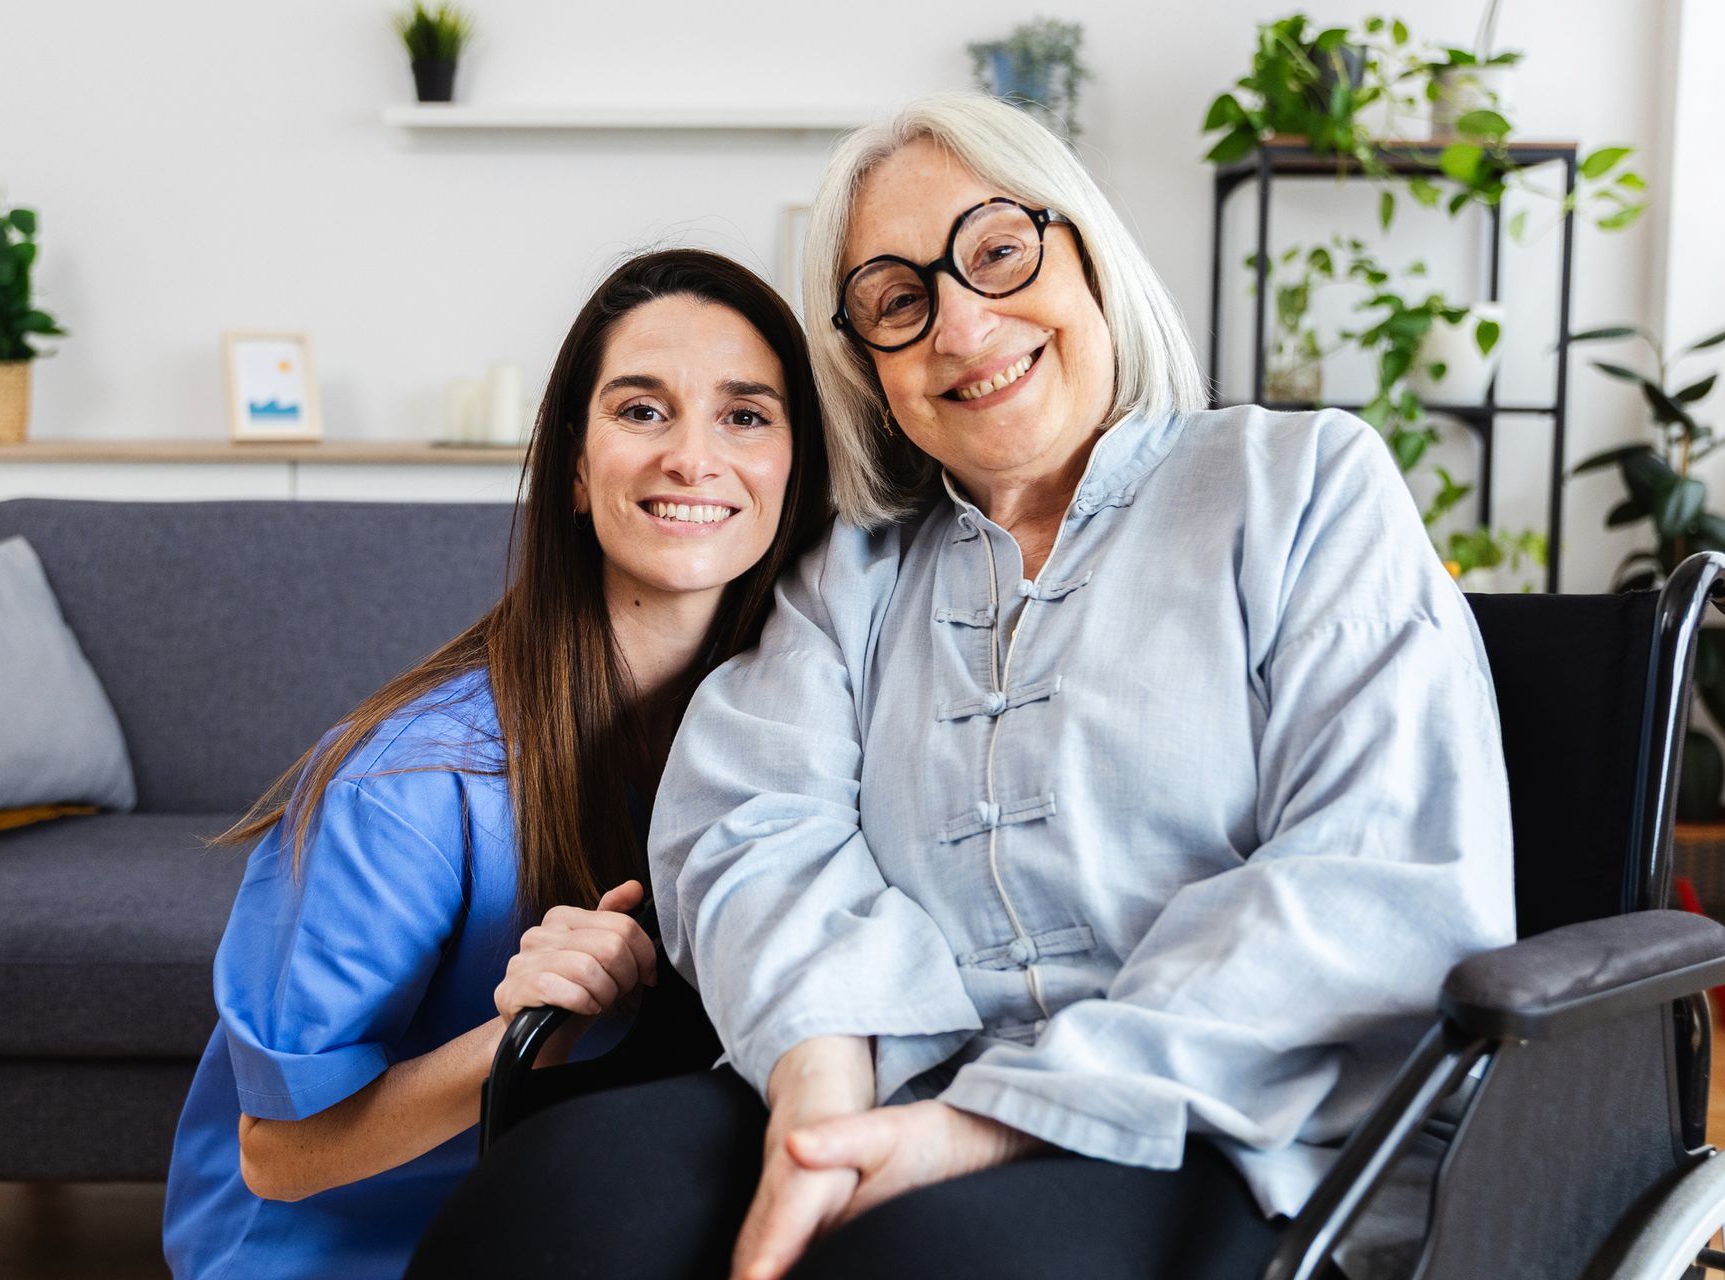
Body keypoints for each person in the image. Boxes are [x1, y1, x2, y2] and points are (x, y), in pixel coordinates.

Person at [411, 93, 1514, 1280]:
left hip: (1230, 1124)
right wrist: (822, 1085)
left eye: (998, 251)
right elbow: (747, 819)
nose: (963, 323)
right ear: (868, 364)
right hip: (888, 1064)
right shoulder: (856, 569)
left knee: (907, 1263)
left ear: (1086, 249)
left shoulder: (1301, 485)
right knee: (541, 1206)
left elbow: (1372, 872)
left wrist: (979, 1123)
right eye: (899, 299)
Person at [160, 248, 832, 1280]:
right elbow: (276, 1154)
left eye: (746, 415)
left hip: (592, 1221)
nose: (694, 457)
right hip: (357, 1252)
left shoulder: (792, 738)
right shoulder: (409, 783)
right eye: (642, 410)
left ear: (797, 464)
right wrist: (521, 1037)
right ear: (574, 462)